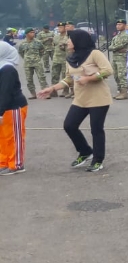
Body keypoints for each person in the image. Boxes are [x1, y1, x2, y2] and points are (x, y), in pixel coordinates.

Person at [37, 29, 114, 173]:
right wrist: (52, 88)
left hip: (99, 99)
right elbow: (69, 79)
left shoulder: (95, 54)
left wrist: (89, 78)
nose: (67, 42)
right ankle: (85, 151)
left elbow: (108, 70)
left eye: (70, 40)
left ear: (79, 41)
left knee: (96, 129)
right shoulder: (71, 58)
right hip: (80, 99)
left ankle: (98, 160)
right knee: (69, 125)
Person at [0, 41, 28, 175]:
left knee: (13, 137)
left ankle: (16, 164)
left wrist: (0, 112)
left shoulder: (7, 69)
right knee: (3, 138)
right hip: (3, 107)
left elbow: (5, 92)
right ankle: (4, 162)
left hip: (13, 107)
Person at [17, 28, 48, 98]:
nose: (33, 34)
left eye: (33, 32)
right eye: (31, 32)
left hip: (37, 62)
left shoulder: (38, 42)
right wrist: (26, 58)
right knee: (29, 79)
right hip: (27, 64)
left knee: (42, 77)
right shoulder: (22, 44)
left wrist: (38, 57)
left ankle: (45, 93)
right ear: (27, 34)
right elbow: (21, 52)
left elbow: (42, 50)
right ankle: (33, 94)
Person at [109, 19, 128, 100]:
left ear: (125, 26)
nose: (118, 26)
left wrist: (113, 48)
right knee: (116, 75)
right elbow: (111, 47)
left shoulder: (126, 35)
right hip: (115, 57)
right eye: (117, 24)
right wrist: (113, 48)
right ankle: (119, 91)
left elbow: (119, 45)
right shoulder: (115, 37)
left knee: (121, 75)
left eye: (120, 24)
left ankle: (124, 92)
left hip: (121, 58)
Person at [51, 22, 69, 99]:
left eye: (61, 27)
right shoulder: (56, 37)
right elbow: (54, 46)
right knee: (54, 75)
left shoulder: (68, 37)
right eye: (58, 27)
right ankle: (53, 91)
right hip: (56, 58)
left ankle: (65, 91)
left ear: (65, 28)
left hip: (65, 59)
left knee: (65, 75)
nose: (59, 29)